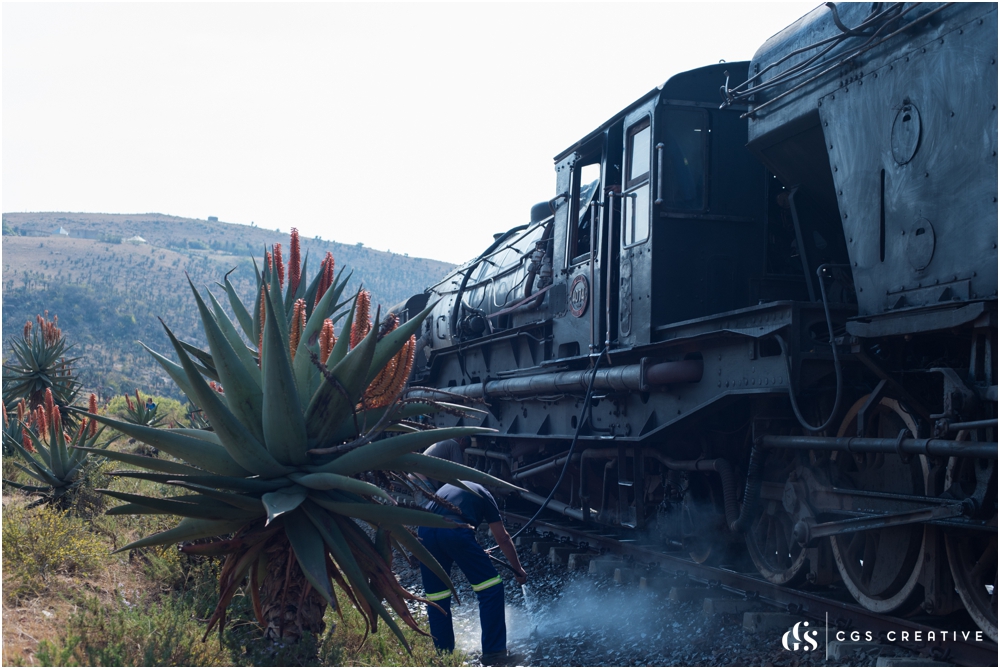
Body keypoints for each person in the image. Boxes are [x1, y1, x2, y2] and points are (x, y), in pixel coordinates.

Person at [419, 479, 527, 666]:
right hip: (455, 532)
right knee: (491, 588)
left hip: (425, 534)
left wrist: (473, 549)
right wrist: (518, 569)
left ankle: (444, 656)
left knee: (437, 598)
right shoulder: (484, 494)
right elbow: (502, 537)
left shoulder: (447, 488)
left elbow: (443, 524)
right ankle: (495, 654)